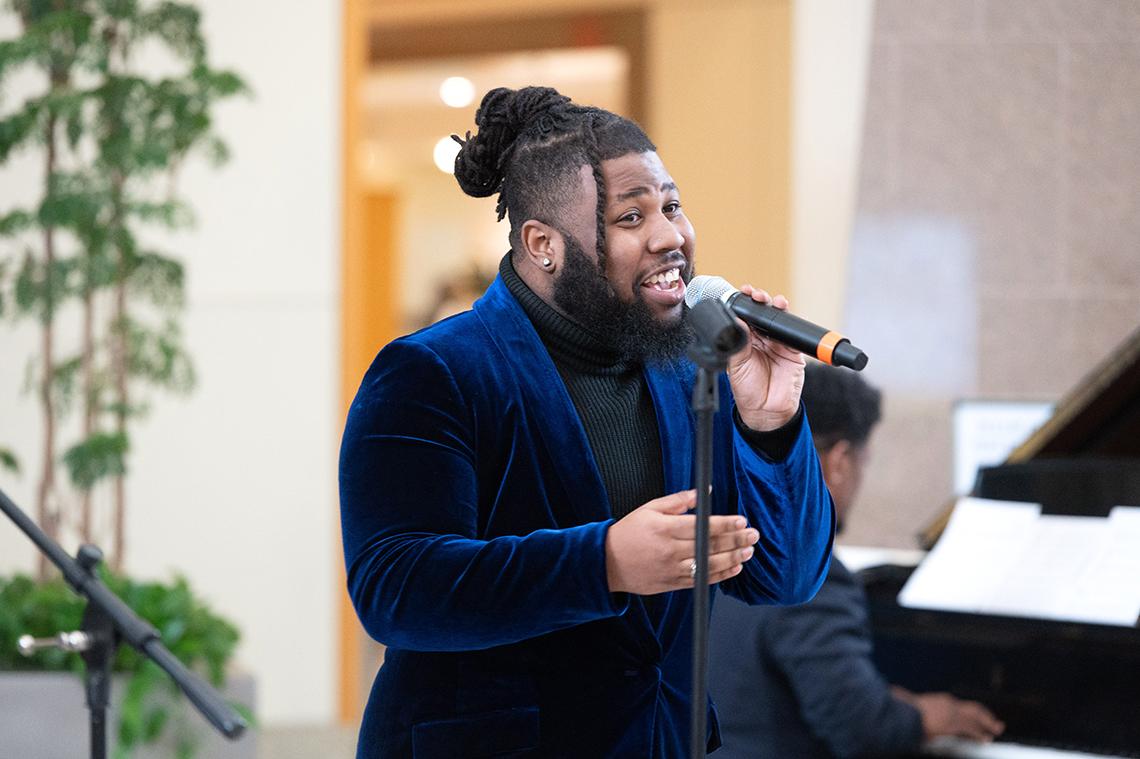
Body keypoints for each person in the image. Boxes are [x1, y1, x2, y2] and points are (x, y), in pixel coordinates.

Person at [339, 86, 835, 758]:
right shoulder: (433, 372)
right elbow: (397, 586)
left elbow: (784, 574)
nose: (670, 235)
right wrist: (600, 562)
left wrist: (770, 423)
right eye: (631, 217)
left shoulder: (688, 370)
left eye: (672, 205)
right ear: (543, 243)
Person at [708, 362, 1005, 758]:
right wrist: (928, 716)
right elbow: (864, 731)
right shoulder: (810, 575)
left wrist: (885, 701)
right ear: (840, 461)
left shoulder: (710, 544)